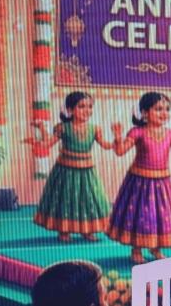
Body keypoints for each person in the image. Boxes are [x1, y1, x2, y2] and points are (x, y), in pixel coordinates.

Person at [107, 92, 171, 263]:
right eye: (158, 109)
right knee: (140, 216)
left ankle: (156, 248)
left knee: (160, 217)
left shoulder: (170, 134)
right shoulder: (137, 132)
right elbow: (120, 151)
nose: (164, 113)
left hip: (162, 183)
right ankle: (137, 250)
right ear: (144, 112)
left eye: (167, 109)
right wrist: (117, 137)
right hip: (139, 183)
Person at [29, 92, 112, 242]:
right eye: (81, 107)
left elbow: (106, 145)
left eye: (89, 107)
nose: (87, 110)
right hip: (65, 171)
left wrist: (117, 139)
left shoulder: (94, 129)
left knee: (88, 200)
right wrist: (41, 129)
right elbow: (47, 144)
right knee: (66, 199)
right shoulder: (63, 128)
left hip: (87, 172)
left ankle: (87, 230)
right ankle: (64, 230)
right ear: (70, 109)